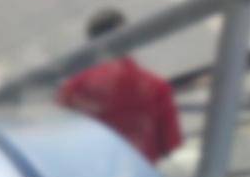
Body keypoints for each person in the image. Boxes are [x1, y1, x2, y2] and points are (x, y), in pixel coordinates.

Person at [57, 9, 183, 164]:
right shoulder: (157, 88)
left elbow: (60, 140)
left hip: (87, 175)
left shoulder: (72, 89)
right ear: (129, 39)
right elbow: (171, 144)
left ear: (91, 44)